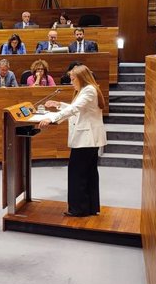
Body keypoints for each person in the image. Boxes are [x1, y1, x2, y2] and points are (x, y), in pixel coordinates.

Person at [37, 65, 107, 217]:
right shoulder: (88, 89)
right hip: (89, 139)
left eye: (73, 79)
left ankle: (79, 209)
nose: (71, 82)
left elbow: (75, 109)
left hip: (86, 139)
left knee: (77, 173)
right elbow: (78, 108)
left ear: (81, 78)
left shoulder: (88, 90)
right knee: (88, 173)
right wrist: (58, 105)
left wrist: (52, 118)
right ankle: (89, 207)